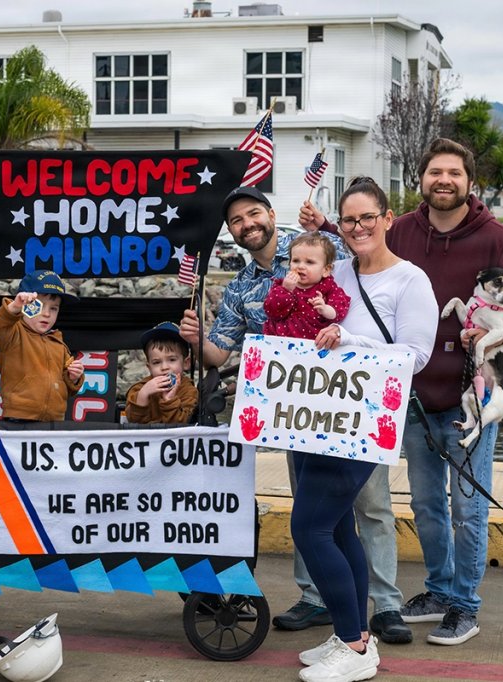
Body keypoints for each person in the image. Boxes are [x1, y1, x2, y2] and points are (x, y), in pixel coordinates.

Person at [300, 138, 503, 646]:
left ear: (469, 182)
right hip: (410, 397)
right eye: (435, 171)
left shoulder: (498, 238)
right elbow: (362, 241)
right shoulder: (404, 230)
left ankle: (465, 605)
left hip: (471, 397)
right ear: (421, 180)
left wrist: (500, 332)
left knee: (468, 507)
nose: (444, 180)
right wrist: (325, 228)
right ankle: (438, 589)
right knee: (427, 503)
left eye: (453, 173)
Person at [179, 187, 420, 643]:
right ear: (230, 232)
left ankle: (385, 607)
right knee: (319, 515)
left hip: (346, 407)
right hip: (293, 414)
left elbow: (358, 248)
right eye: (236, 221)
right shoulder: (240, 287)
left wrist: (328, 221)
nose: (247, 224)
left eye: (254, 213)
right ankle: (318, 601)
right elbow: (215, 354)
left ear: (271, 214)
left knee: (369, 505)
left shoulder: (312, 248)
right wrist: (195, 337)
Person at [295, 176, 437, 682]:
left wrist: (350, 338)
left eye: (366, 218)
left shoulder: (410, 280)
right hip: (317, 414)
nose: (357, 228)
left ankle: (355, 648)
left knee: (308, 527)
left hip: (363, 420)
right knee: (335, 526)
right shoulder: (338, 272)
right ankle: (348, 631)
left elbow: (415, 357)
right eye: (349, 219)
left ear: (387, 219)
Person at [0, 271, 84, 422]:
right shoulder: (13, 333)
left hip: (55, 421)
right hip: (19, 419)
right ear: (24, 305)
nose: (46, 314)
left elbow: (68, 388)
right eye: (39, 306)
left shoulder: (58, 343)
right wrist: (14, 307)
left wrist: (74, 377)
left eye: (53, 308)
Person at [263, 230, 351, 339]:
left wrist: (325, 309)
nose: (300, 266)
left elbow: (339, 311)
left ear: (326, 270)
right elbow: (271, 312)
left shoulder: (328, 288)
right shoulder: (282, 286)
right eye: (296, 260)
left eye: (309, 262)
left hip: (313, 345)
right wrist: (285, 290)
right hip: (280, 344)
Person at [125, 321, 198, 424]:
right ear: (149, 367)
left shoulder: (188, 391)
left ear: (186, 363)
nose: (164, 367)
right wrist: (143, 395)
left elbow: (183, 424)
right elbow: (132, 421)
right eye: (157, 362)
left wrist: (169, 401)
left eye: (172, 360)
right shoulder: (139, 388)